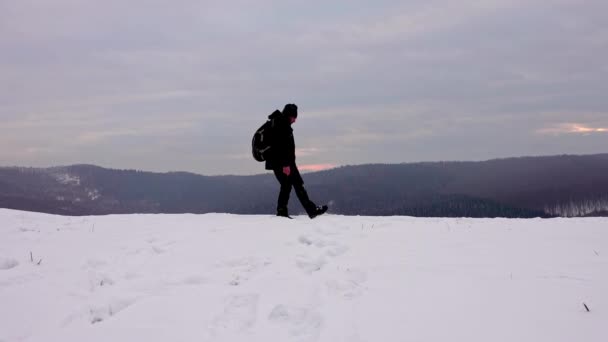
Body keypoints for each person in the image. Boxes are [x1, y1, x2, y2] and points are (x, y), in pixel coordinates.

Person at [265, 103, 328, 219]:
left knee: (291, 185)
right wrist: (285, 165)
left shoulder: (280, 122)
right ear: (289, 115)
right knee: (292, 185)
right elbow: (280, 146)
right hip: (283, 163)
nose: (295, 120)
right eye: (294, 117)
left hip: (284, 163)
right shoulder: (281, 124)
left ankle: (287, 211)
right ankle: (289, 211)